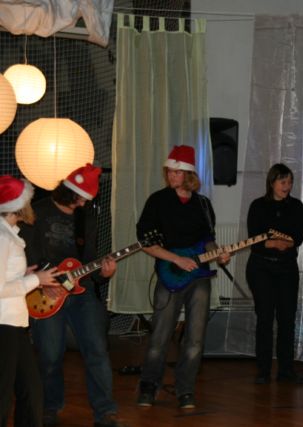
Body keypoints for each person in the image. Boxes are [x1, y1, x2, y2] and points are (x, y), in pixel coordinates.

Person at [21, 165, 125, 427]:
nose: (83, 203)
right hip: (43, 291)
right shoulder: (38, 211)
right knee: (50, 355)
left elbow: (88, 259)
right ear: (69, 192)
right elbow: (27, 254)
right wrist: (43, 281)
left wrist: (104, 274)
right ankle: (50, 407)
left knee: (97, 350)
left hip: (81, 292)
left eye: (86, 200)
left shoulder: (86, 217)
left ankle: (105, 412)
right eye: (81, 198)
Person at [136, 145, 230, 409]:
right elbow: (145, 242)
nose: (171, 176)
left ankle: (185, 389)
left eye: (176, 172)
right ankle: (148, 386)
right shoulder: (157, 201)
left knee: (195, 339)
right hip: (170, 275)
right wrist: (176, 259)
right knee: (160, 335)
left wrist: (218, 254)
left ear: (189, 174)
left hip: (200, 276)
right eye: (169, 171)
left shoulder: (203, 204)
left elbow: (208, 239)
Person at [0, 176, 59, 427]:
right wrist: (36, 279)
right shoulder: (2, 238)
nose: (31, 205)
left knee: (31, 390)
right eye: (28, 201)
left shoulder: (9, 234)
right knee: (3, 394)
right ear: (18, 205)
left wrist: (24, 276)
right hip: (4, 324)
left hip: (14, 324)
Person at [246, 163, 303, 385]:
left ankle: (286, 370)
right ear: (272, 182)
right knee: (264, 319)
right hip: (261, 268)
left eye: (290, 182)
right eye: (283, 182)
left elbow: (297, 237)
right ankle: (263, 370)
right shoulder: (258, 206)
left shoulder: (297, 207)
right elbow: (255, 239)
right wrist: (273, 243)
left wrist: (279, 241)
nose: (287, 186)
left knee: (287, 319)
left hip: (286, 268)